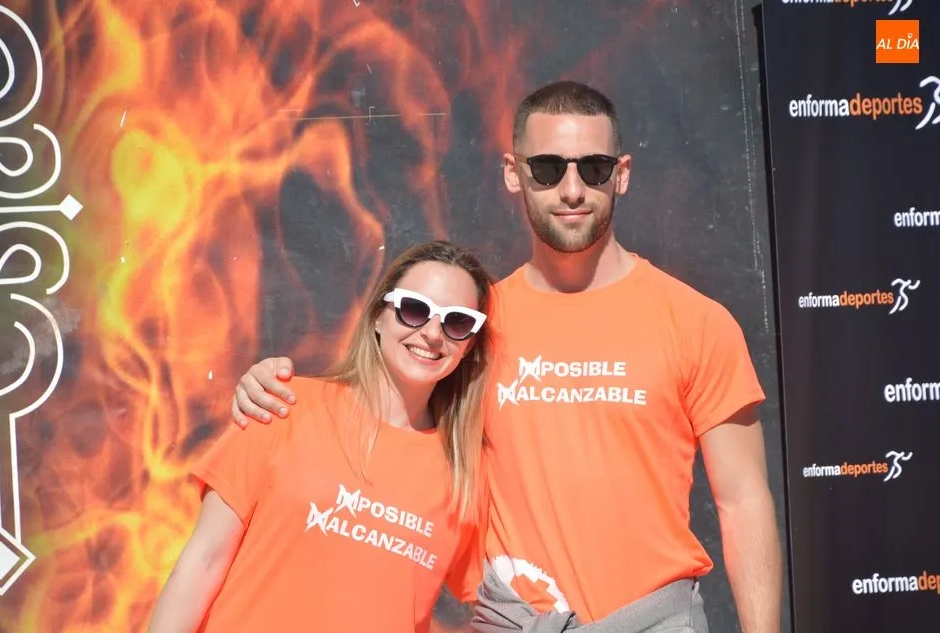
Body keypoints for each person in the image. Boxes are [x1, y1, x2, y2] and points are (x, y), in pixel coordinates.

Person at [230, 81, 782, 632]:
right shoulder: (469, 327)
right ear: (513, 173)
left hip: (653, 621)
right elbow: (378, 417)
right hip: (515, 622)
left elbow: (743, 502)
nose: (572, 190)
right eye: (547, 168)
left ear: (622, 174)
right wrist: (271, 390)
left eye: (594, 168)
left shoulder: (697, 322)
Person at [146, 240, 497, 633]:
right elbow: (202, 562)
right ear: (378, 317)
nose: (432, 333)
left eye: (457, 322)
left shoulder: (467, 473)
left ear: (469, 345)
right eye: (414, 309)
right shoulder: (281, 406)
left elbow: (501, 601)